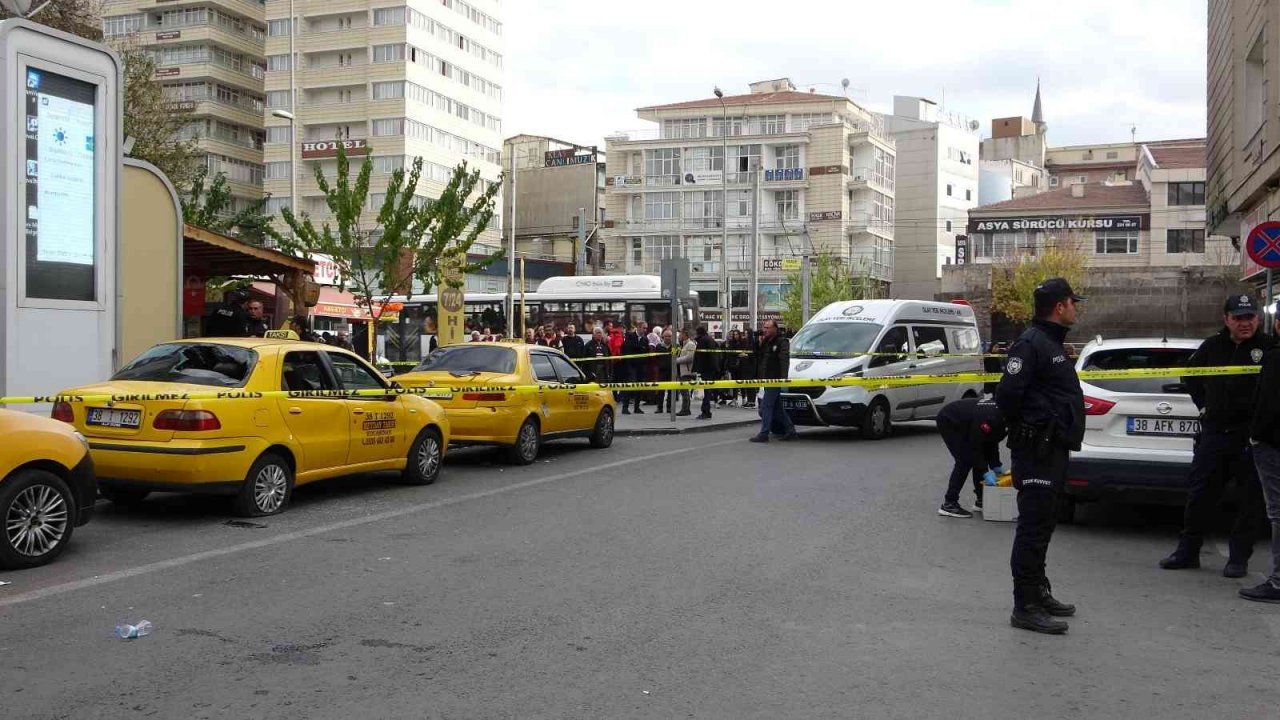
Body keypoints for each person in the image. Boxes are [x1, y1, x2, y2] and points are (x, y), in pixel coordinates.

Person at [995, 277, 1086, 635]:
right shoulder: (1031, 343)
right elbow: (1007, 396)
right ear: (1060, 306)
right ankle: (1025, 606)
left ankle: (1039, 591)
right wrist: (1034, 426)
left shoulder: (1051, 343)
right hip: (1037, 449)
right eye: (1073, 302)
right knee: (1032, 528)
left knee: (1045, 525)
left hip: (1052, 448)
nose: (1076, 308)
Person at [1159, 294, 1274, 577]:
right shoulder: (1213, 346)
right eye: (1238, 318)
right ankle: (1188, 552)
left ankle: (1238, 558)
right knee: (1200, 494)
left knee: (1250, 500)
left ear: (1258, 318)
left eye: (1250, 317)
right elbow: (1191, 375)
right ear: (1226, 319)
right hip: (1214, 432)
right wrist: (1204, 405)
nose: (1245, 323)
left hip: (1250, 436)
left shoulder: (1269, 347)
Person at [1244, 313, 1280, 604]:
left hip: (1273, 444)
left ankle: (1278, 582)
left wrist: (1256, 435)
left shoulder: (1275, 357)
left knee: (1277, 511)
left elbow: (1267, 402)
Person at [936, 395, 1008, 518]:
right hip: (950, 421)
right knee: (965, 460)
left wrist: (996, 465)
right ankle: (949, 503)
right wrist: (985, 472)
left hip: (968, 424)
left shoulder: (1003, 417)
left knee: (979, 458)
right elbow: (976, 445)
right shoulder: (992, 416)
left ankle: (981, 500)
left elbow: (991, 441)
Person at [751, 319, 798, 442]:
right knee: (777, 407)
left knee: (766, 406)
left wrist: (783, 378)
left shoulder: (782, 341)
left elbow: (784, 360)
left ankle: (764, 433)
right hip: (766, 378)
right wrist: (757, 342)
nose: (764, 330)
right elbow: (757, 356)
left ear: (774, 328)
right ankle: (790, 430)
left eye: (767, 328)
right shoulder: (765, 341)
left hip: (774, 378)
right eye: (764, 327)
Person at [619, 322, 648, 414]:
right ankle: (625, 407)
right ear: (638, 327)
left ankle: (637, 407)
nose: (645, 330)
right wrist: (639, 348)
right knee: (630, 385)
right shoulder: (630, 336)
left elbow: (646, 352)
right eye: (644, 328)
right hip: (631, 366)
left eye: (646, 328)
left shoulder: (645, 339)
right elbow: (627, 350)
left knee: (639, 386)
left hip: (641, 366)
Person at [693, 326, 719, 419]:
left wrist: (698, 369)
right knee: (708, 390)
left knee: (707, 391)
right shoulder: (709, 339)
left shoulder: (702, 341)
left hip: (706, 369)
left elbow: (700, 357)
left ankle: (705, 411)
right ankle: (706, 411)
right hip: (712, 368)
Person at [675, 328, 697, 416]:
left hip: (687, 371)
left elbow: (690, 357)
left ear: (685, 335)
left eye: (680, 335)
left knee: (685, 391)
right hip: (682, 371)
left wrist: (677, 360)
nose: (679, 336)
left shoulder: (690, 344)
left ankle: (685, 409)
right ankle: (685, 409)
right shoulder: (683, 345)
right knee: (683, 391)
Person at [655, 328, 674, 413]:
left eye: (669, 336)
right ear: (663, 337)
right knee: (661, 390)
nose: (668, 338)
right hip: (662, 371)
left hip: (672, 371)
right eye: (666, 336)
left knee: (671, 391)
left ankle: (669, 407)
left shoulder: (675, 346)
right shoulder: (659, 346)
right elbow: (656, 358)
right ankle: (659, 408)